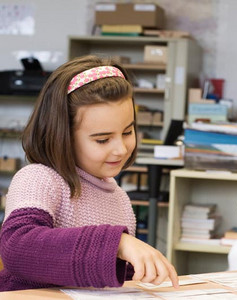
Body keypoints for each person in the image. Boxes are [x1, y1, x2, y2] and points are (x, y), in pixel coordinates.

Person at [0, 55, 179, 291]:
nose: (121, 148)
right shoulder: (38, 178)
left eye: (127, 132)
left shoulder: (119, 199)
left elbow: (105, 276)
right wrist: (118, 243)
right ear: (62, 136)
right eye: (103, 139)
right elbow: (18, 247)